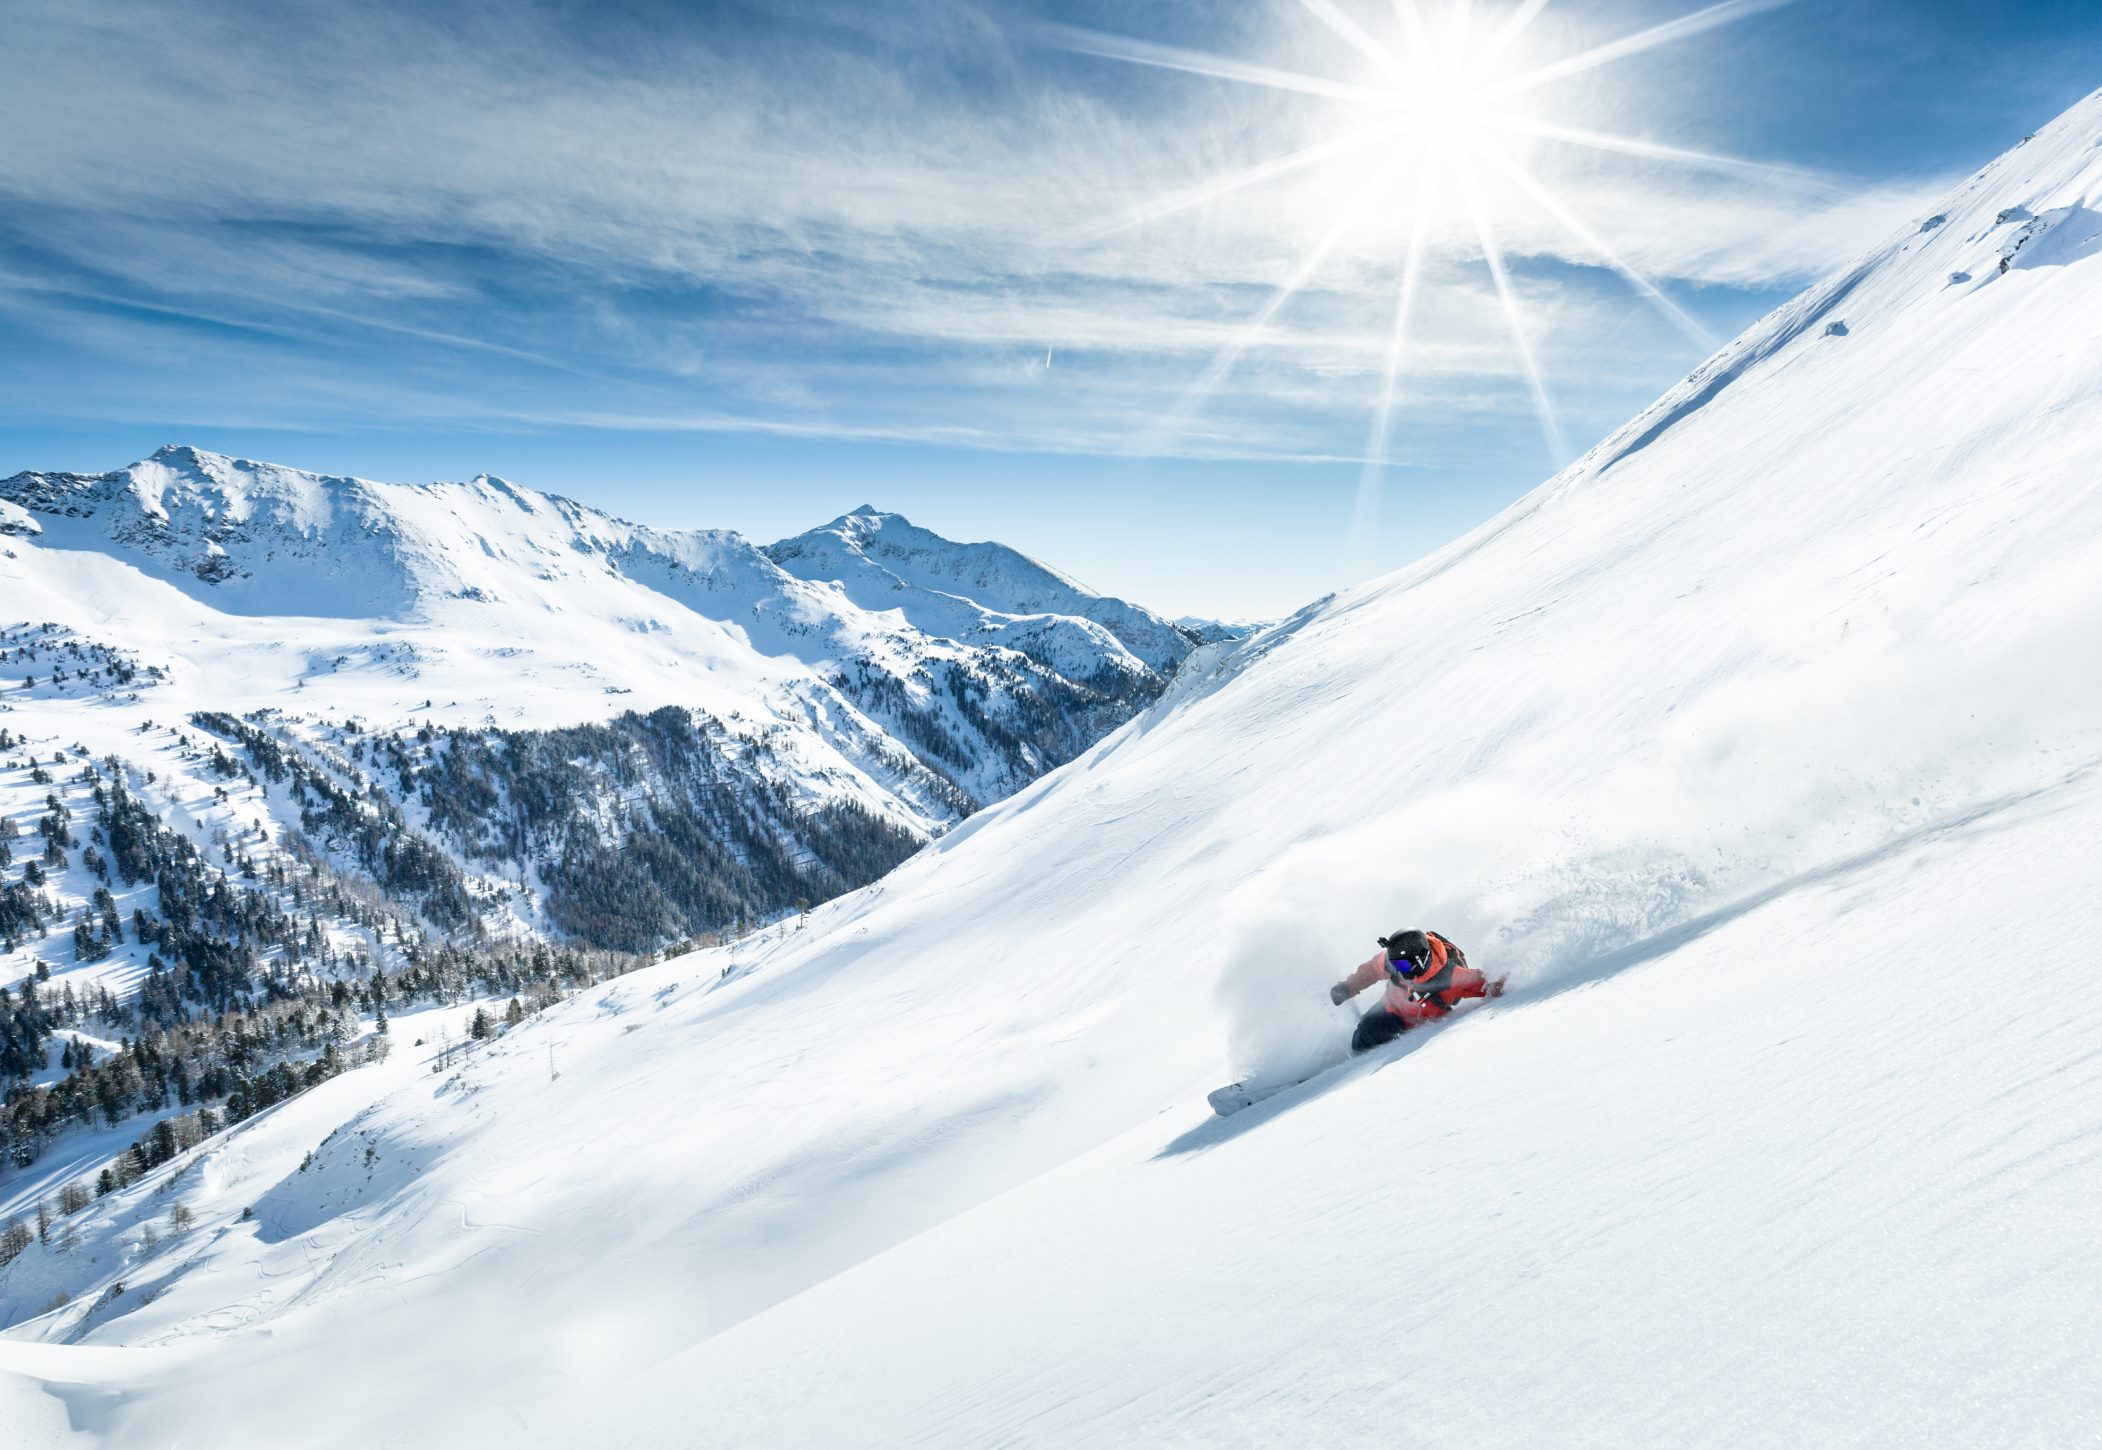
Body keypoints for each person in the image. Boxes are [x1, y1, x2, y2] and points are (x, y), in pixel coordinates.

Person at [1329, 928, 1501, 1052]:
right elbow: (1371, 970)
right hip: (1389, 1006)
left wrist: (1509, 982)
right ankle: (1350, 1060)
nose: (1397, 968)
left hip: (1411, 1023)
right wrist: (1348, 987)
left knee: (1370, 1036)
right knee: (1362, 1033)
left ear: (1421, 959)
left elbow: (1489, 981)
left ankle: (1358, 1063)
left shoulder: (1450, 978)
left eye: (1402, 965)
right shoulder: (1393, 962)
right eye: (1395, 963)